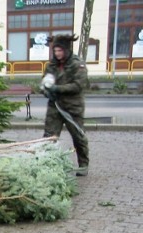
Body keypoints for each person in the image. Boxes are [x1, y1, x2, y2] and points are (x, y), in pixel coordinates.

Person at [41, 34, 90, 176]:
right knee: (49, 137)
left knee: (78, 136)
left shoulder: (77, 64)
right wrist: (46, 91)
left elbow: (78, 86)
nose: (57, 54)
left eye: (60, 51)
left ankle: (83, 164)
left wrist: (57, 89)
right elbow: (45, 81)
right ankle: (47, 163)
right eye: (55, 51)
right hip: (55, 106)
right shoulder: (52, 65)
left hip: (72, 107)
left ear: (66, 50)